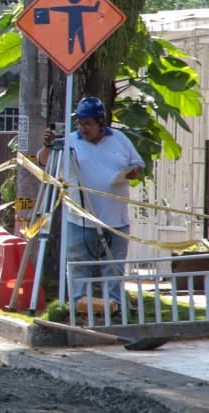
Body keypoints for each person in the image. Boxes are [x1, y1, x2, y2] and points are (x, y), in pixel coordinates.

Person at [38, 96, 144, 316]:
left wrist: (133, 172)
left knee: (113, 267)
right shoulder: (69, 142)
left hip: (116, 219)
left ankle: (113, 308)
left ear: (100, 122)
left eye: (88, 123)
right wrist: (47, 145)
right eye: (80, 123)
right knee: (78, 264)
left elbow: (138, 164)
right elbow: (44, 162)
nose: (83, 128)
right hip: (80, 218)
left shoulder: (120, 139)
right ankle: (79, 306)